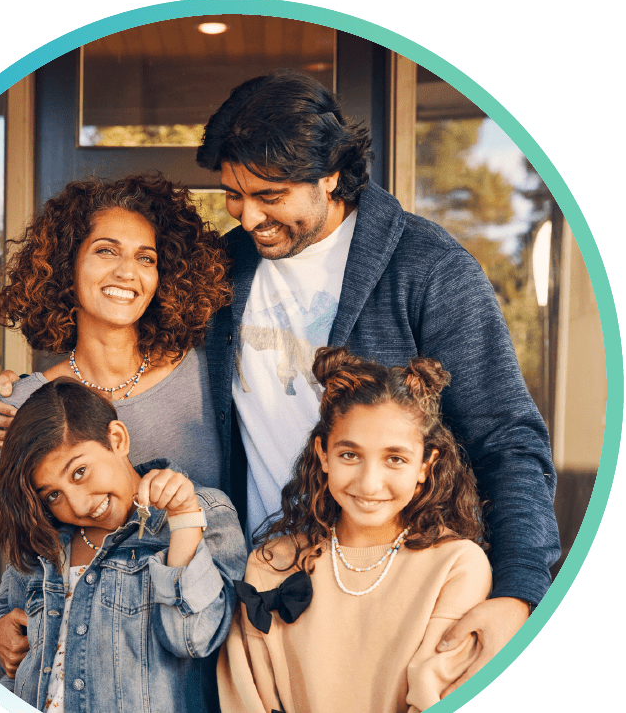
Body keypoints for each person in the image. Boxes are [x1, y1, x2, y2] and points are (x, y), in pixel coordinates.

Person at [196, 69, 560, 689]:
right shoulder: (222, 271)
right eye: (234, 193)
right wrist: (33, 396)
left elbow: (508, 439)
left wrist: (521, 592)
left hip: (394, 607)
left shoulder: (430, 268)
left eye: (271, 195)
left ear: (332, 175)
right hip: (260, 601)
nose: (248, 216)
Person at [0, 173, 232, 677]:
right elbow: (27, 550)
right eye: (106, 251)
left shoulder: (210, 370)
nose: (127, 272)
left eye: (146, 258)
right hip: (80, 672)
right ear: (66, 265)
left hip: (196, 651)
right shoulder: (26, 401)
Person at [217, 348, 493, 712]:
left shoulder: (456, 565)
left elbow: (438, 695)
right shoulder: (271, 566)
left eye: (395, 459)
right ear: (323, 454)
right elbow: (247, 699)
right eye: (350, 455)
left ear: (426, 464)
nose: (369, 482)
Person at [0, 378, 247, 713]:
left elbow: (193, 636)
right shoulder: (48, 539)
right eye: (53, 494)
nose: (76, 505)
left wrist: (184, 518)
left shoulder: (203, 512)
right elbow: (3, 614)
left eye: (79, 472)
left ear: (116, 439)